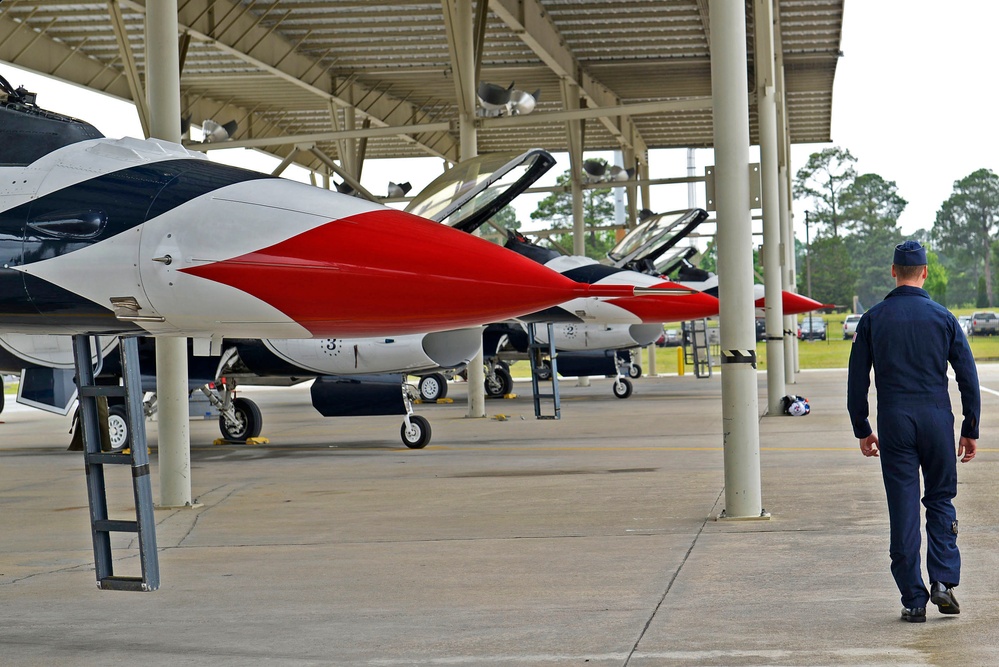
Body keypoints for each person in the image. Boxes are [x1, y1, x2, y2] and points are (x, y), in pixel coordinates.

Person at [847, 240, 980, 624]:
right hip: (937, 419)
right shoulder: (944, 318)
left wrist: (862, 427)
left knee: (903, 506)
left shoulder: (872, 319)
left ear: (893, 271)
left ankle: (913, 599)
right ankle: (943, 581)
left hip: (895, 422)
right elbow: (967, 376)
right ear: (924, 272)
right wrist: (970, 427)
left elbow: (857, 381)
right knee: (940, 499)